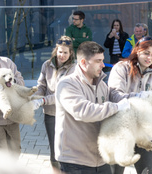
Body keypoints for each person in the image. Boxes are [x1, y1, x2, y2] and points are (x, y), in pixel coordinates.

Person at [55, 41, 131, 174]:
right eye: (98, 61)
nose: (103, 65)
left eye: (103, 60)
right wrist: (117, 107)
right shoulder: (67, 84)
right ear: (83, 62)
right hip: (75, 161)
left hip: (101, 159)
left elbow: (116, 96)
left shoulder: (101, 84)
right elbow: (85, 111)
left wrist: (138, 99)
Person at [108, 36, 152, 174]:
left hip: (142, 133)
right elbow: (115, 96)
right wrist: (139, 97)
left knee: (148, 171)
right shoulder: (121, 68)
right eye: (146, 53)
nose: (149, 57)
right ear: (137, 51)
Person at [32, 36, 76, 170]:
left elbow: (61, 94)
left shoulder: (73, 68)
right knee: (54, 150)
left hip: (67, 114)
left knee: (67, 148)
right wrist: (34, 97)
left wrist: (43, 100)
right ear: (56, 50)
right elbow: (41, 85)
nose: (62, 55)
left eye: (65, 52)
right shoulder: (47, 64)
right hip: (50, 113)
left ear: (71, 53)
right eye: (60, 51)